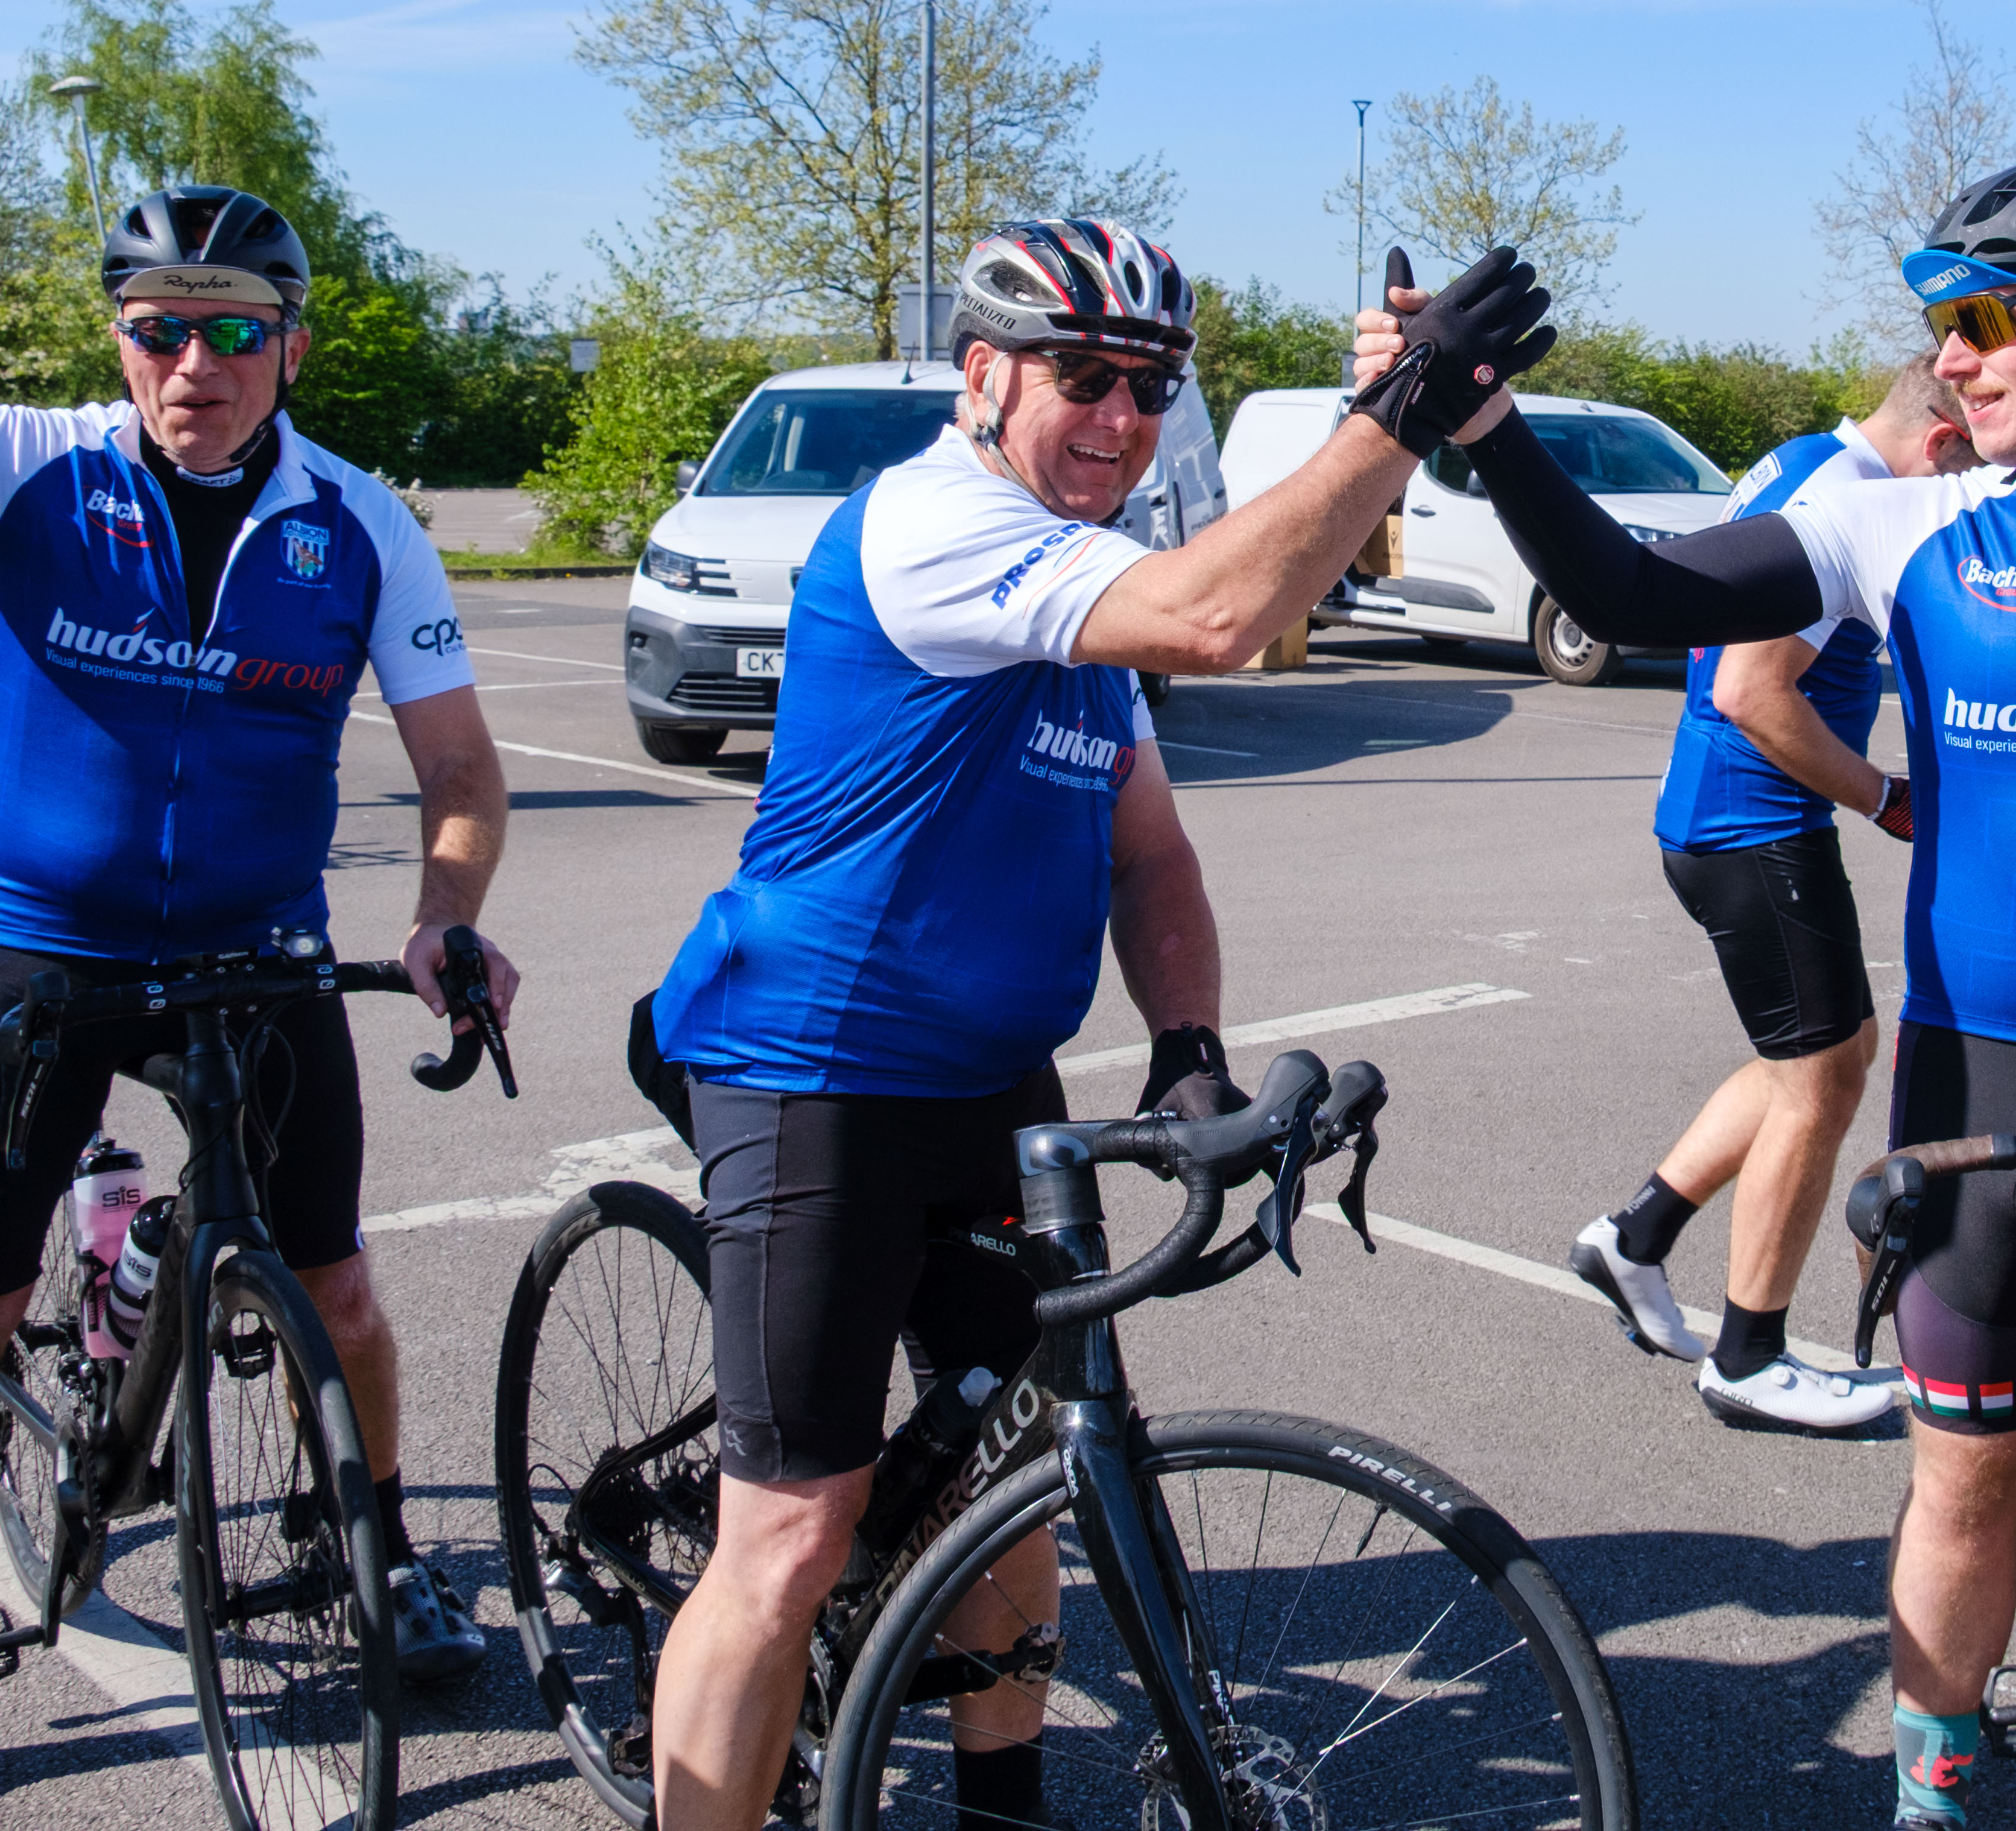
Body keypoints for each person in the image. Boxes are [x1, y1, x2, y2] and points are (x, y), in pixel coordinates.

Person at [1354, 162, 2016, 1831]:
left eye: (1987, 322)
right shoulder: (1894, 516)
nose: (1955, 361)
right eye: (1941, 328)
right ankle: (1930, 1806)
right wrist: (1478, 427)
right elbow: (1637, 595)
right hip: (1977, 1092)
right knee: (1965, 1491)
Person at [639, 218, 1552, 1831]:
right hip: (812, 1067)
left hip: (992, 1085)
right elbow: (1220, 613)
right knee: (789, 1527)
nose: (1126, 416)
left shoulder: (1077, 597)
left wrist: (1186, 1040)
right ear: (984, 375)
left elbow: (1149, 850)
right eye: (1088, 376)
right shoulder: (937, 520)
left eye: (1153, 384)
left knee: (1016, 1475)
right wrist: (1402, 409)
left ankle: (1005, 1809)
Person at [0, 100, 522, 1825]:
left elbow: (461, 774)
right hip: (28, 953)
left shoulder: (362, 522)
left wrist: (445, 913)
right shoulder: (23, 462)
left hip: (256, 954)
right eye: (161, 328)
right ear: (122, 340)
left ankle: (373, 1552)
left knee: (341, 1293)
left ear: (289, 346)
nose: (197, 361)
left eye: (236, 329)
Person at [1571, 360, 1974, 1435]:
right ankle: (1747, 1359)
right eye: (1971, 466)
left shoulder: (1805, 460)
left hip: (1730, 821)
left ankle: (1636, 1237)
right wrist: (1882, 795)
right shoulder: (1844, 497)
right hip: (1751, 827)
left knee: (1823, 1055)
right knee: (1820, 1086)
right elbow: (1753, 691)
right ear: (1937, 445)